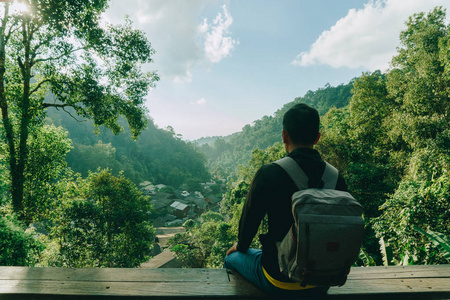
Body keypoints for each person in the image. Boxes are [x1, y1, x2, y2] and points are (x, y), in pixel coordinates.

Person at [224, 103, 348, 297]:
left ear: (284, 136)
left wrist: (239, 246)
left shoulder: (269, 173)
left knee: (232, 258)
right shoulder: (335, 177)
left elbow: (249, 223)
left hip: (279, 279)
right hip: (322, 279)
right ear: (317, 137)